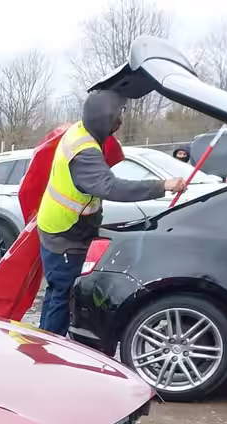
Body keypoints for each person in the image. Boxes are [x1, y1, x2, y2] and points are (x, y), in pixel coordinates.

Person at [35, 90, 185, 336]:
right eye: (119, 114)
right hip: (64, 232)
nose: (122, 120)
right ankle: (51, 350)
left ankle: (45, 340)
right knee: (63, 292)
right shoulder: (84, 150)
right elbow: (109, 186)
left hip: (62, 225)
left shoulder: (81, 132)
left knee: (56, 291)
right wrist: (162, 186)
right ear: (106, 118)